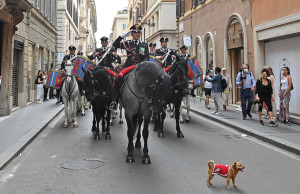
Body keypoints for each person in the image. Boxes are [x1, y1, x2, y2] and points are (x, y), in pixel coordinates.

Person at [109, 24, 150, 110]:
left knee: (151, 81)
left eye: (138, 32)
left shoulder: (144, 45)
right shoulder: (127, 43)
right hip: (128, 66)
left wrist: (142, 64)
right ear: (131, 34)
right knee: (117, 80)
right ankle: (114, 101)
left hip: (140, 67)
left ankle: (151, 101)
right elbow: (115, 44)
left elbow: (146, 56)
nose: (136, 34)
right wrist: (122, 36)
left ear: (140, 33)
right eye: (134, 32)